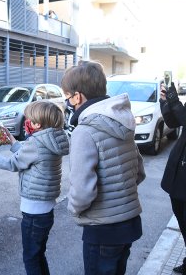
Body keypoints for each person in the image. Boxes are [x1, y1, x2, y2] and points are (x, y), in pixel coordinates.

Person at [61, 61, 145, 275]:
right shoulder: (122, 121)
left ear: (77, 97)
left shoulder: (85, 131)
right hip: (129, 224)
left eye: (68, 97)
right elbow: (139, 172)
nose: (68, 103)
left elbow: (82, 192)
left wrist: (73, 209)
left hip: (102, 230)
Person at [0, 100, 69, 274]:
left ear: (37, 124)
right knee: (38, 254)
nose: (26, 121)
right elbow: (27, 155)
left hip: (34, 212)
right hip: (46, 209)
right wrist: (11, 139)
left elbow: (13, 163)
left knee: (31, 258)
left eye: (29, 119)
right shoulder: (52, 139)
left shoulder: (36, 143)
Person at [159, 82, 186, 274]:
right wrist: (166, 102)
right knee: (180, 215)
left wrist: (174, 100)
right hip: (179, 172)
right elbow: (174, 122)